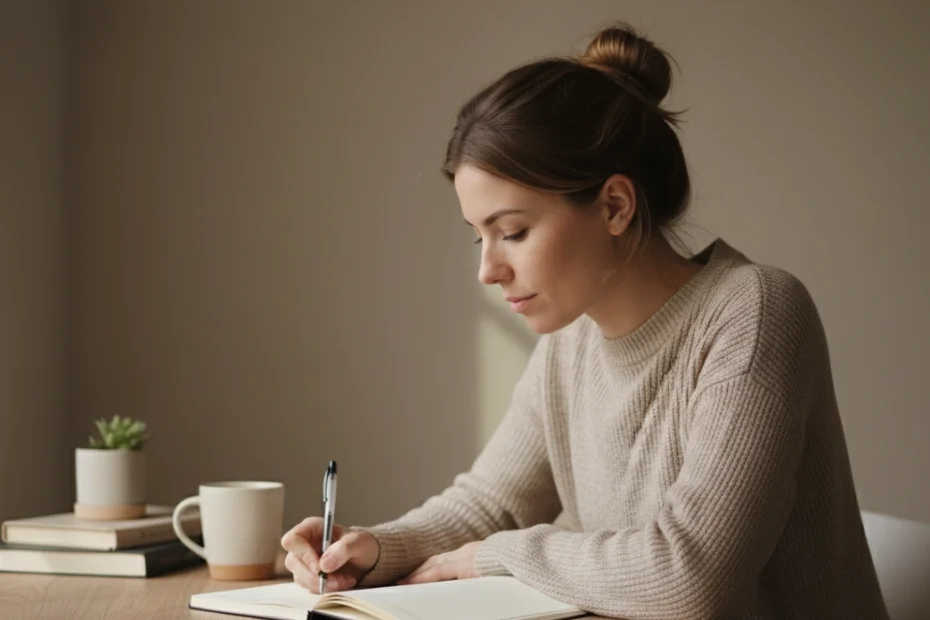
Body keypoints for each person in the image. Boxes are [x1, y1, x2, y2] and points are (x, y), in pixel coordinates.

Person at [281, 21, 889, 619]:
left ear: (615, 206)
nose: (488, 271)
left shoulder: (754, 313)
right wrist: (374, 549)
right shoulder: (572, 338)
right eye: (479, 238)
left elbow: (692, 578)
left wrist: (496, 556)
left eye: (513, 232)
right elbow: (494, 504)